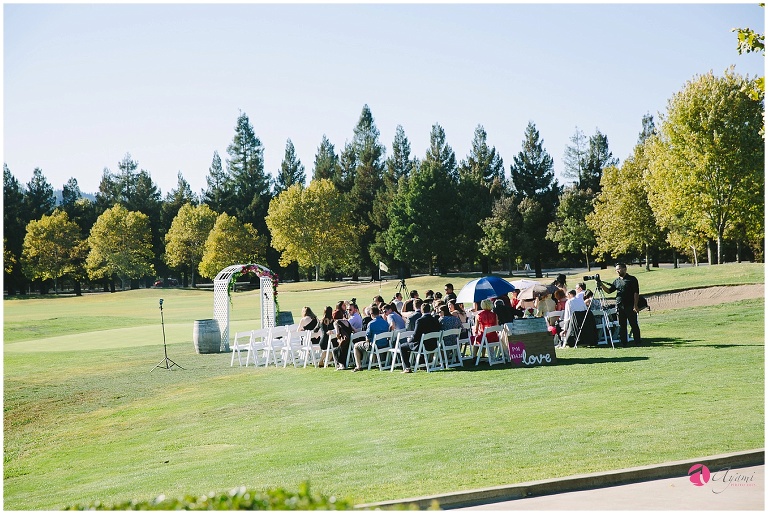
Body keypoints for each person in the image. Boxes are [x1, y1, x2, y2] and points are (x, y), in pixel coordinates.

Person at [599, 262, 642, 347]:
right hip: (620, 306)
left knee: (633, 324)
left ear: (625, 269)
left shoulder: (632, 279)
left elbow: (636, 293)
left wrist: (635, 305)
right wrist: (601, 284)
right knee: (622, 325)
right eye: (616, 270)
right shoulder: (616, 281)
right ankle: (624, 343)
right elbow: (609, 291)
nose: (617, 271)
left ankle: (637, 342)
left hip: (630, 305)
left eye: (619, 269)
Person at [399, 303, 441, 373]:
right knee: (418, 342)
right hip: (434, 345)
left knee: (402, 346)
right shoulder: (435, 319)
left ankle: (407, 368)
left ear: (421, 310)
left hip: (423, 346)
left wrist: (410, 340)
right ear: (429, 310)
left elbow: (416, 336)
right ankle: (422, 364)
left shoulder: (420, 321)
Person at [352, 305, 389, 372]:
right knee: (372, 342)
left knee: (356, 346)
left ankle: (358, 366)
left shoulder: (371, 323)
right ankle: (373, 362)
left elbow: (368, 337)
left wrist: (367, 341)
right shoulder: (385, 322)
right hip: (385, 344)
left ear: (371, 314)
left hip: (374, 345)